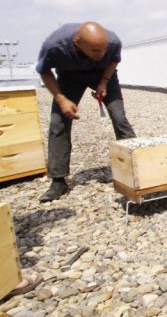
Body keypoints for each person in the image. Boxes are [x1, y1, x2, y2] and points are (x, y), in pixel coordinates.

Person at [36, 22, 137, 202]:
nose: (102, 54)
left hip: (103, 74)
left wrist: (103, 82)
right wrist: (61, 98)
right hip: (69, 78)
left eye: (104, 49)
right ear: (77, 42)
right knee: (58, 124)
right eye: (96, 51)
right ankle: (58, 181)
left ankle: (137, 168)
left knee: (119, 117)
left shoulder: (113, 42)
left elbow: (113, 60)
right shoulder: (54, 46)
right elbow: (44, 71)